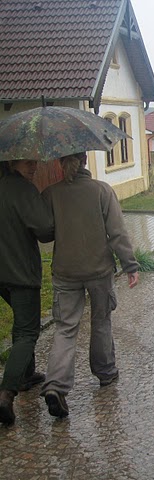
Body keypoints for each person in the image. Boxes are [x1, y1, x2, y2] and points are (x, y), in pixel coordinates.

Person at [39, 152, 139, 418]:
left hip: (65, 271)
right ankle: (106, 372)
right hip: (99, 270)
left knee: (65, 328)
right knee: (101, 321)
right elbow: (117, 232)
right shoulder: (102, 191)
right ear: (85, 160)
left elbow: (44, 233)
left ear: (60, 163)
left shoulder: (51, 194)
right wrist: (130, 265)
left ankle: (55, 385)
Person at [0, 160, 54, 425]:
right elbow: (45, 230)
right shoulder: (23, 189)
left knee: (21, 323)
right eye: (27, 161)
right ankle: (6, 393)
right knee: (27, 331)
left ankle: (26, 375)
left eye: (34, 160)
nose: (34, 166)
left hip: (2, 273)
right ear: (12, 161)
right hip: (20, 272)